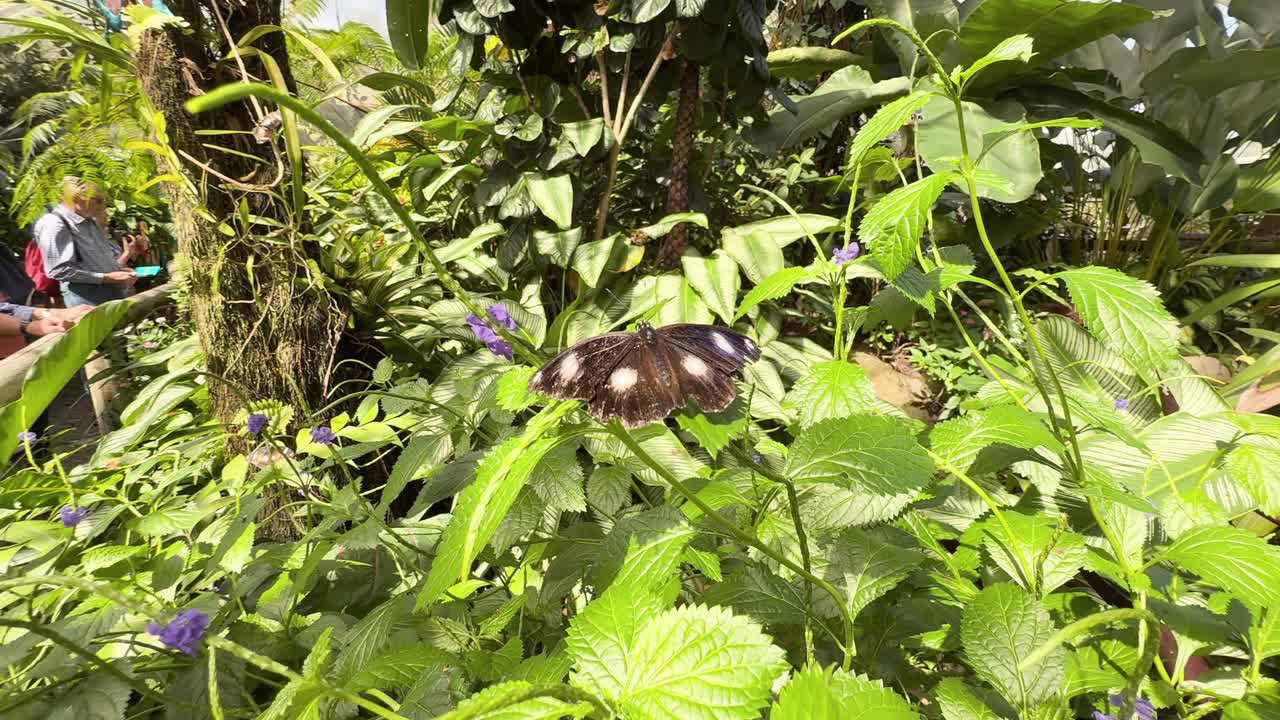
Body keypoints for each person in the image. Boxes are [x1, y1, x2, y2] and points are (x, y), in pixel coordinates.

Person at [33, 177, 142, 308]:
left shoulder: (89, 221)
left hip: (111, 295)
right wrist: (107, 277)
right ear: (77, 200)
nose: (103, 206)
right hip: (87, 302)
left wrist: (119, 271)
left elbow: (96, 260)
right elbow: (58, 270)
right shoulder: (54, 224)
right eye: (98, 201)